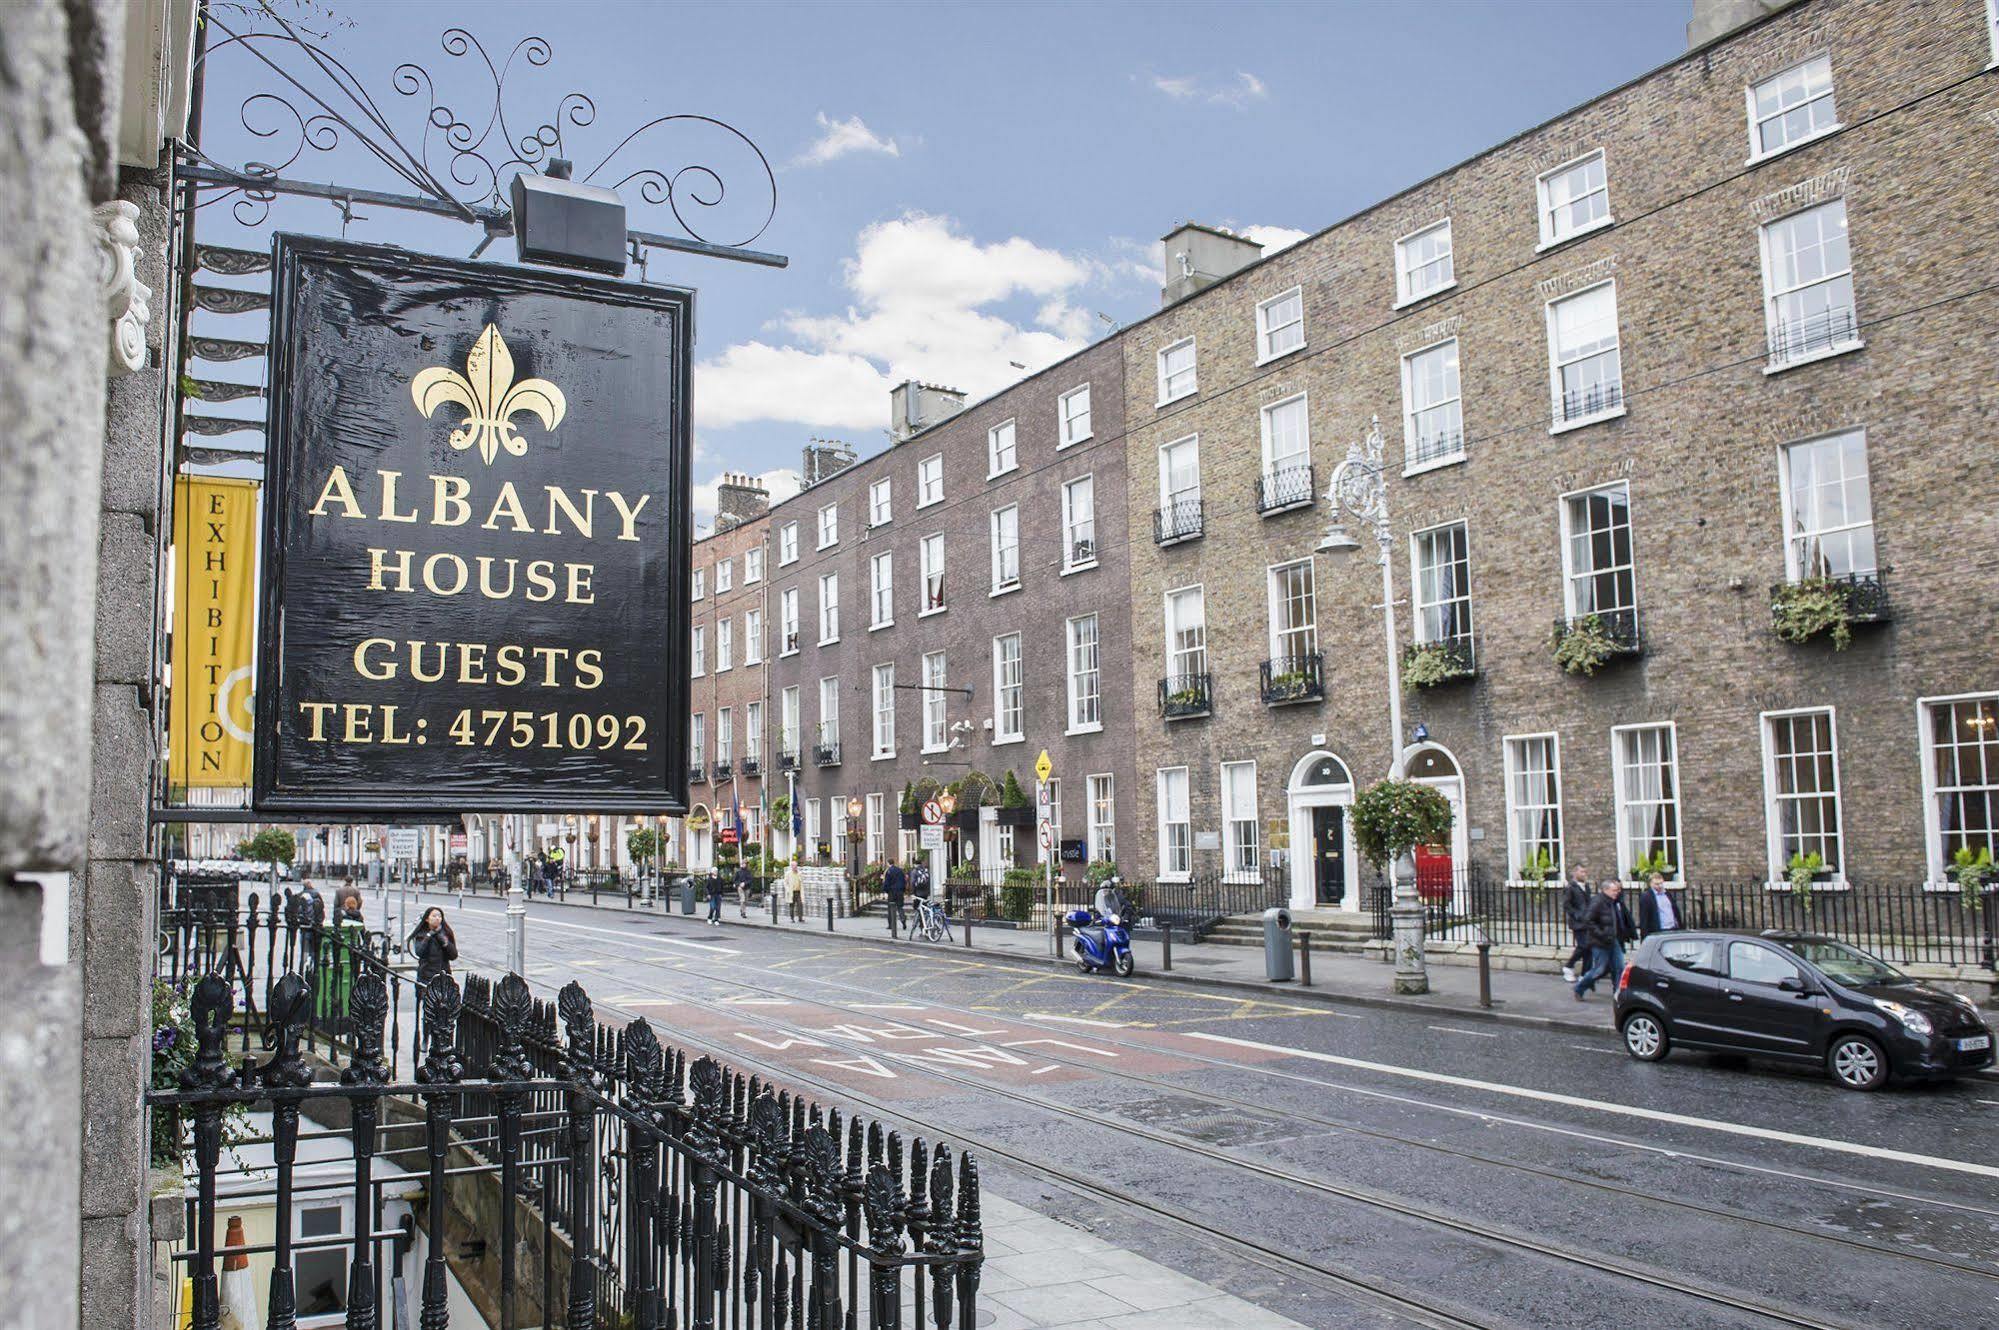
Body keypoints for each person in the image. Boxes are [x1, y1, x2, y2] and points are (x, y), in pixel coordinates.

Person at [1573, 880, 1637, 1001]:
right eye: (1614, 890)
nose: (1616, 893)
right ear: (1606, 890)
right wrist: (1601, 933)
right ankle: (1579, 988)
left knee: (1619, 967)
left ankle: (1618, 993)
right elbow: (1588, 920)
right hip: (1599, 942)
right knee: (1599, 969)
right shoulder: (1597, 902)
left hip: (1613, 940)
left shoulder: (1612, 902)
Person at [1560, 864, 1593, 984]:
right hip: (1578, 923)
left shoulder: (1586, 886)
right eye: (1582, 872)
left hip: (1588, 921)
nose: (1584, 874)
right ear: (1575, 873)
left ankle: (1585, 974)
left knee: (1589, 948)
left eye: (1585, 871)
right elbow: (1566, 905)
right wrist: (1577, 915)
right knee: (1583, 946)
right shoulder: (1570, 887)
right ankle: (1568, 966)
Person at [409, 906, 457, 985]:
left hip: (443, 977)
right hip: (425, 977)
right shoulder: (421, 934)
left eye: (439, 916)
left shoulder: (446, 933)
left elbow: (453, 955)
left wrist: (444, 941)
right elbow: (419, 952)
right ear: (427, 919)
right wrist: (429, 936)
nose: (437, 918)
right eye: (434, 916)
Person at [1636, 871, 1681, 937]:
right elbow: (1644, 918)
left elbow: (1675, 911)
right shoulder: (1646, 897)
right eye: (1657, 884)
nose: (1660, 886)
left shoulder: (1667, 894)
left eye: (1661, 883)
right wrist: (1645, 936)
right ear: (1651, 884)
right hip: (1659, 931)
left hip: (1672, 928)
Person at [883, 857, 907, 934]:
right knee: (900, 907)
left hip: (892, 892)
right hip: (900, 892)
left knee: (890, 909)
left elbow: (886, 883)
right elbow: (904, 881)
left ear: (888, 863)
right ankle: (903, 920)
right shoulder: (900, 870)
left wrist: (886, 890)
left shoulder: (889, 871)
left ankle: (891, 925)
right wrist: (903, 890)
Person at [784, 857, 804, 924]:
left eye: (796, 866)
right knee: (792, 905)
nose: (795, 867)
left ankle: (800, 918)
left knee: (800, 905)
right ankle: (792, 918)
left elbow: (801, 882)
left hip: (798, 892)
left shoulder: (799, 873)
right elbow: (785, 882)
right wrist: (787, 890)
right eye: (794, 866)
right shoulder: (788, 873)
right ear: (791, 866)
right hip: (791, 892)